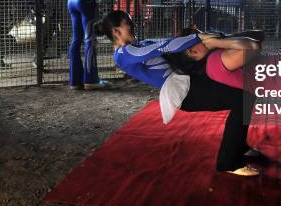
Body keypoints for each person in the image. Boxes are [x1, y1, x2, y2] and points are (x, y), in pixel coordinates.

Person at [95, 10, 262, 177]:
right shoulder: (123, 54)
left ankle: (238, 145)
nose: (133, 25)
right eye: (128, 23)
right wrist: (198, 38)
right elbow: (164, 46)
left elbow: (169, 43)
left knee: (245, 96)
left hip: (189, 79)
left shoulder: (139, 44)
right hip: (184, 92)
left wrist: (203, 38)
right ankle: (229, 162)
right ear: (116, 31)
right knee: (242, 99)